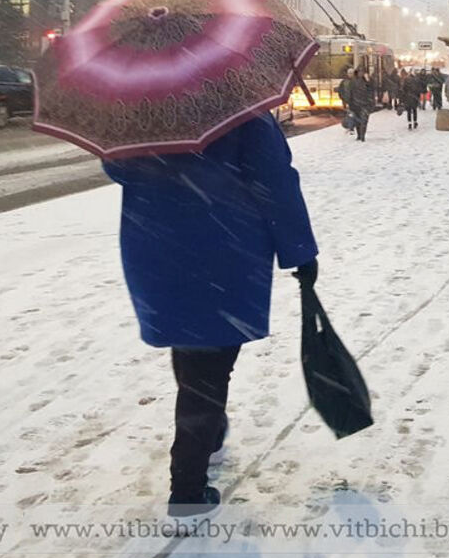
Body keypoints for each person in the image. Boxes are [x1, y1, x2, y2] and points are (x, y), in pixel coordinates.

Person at [102, 115, 319, 516]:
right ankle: (188, 489)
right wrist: (300, 250)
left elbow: (115, 165)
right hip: (222, 246)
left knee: (192, 348)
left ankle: (210, 433)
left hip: (155, 244)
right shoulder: (238, 109)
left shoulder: (139, 109)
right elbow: (274, 179)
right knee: (208, 365)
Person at [348, 67, 375, 142]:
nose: (361, 73)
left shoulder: (368, 80)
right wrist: (350, 103)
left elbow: (372, 90)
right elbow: (350, 93)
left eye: (362, 72)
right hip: (356, 104)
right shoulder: (353, 81)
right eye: (359, 72)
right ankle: (359, 135)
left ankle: (362, 136)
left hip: (365, 104)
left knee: (364, 120)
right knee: (357, 121)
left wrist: (368, 81)